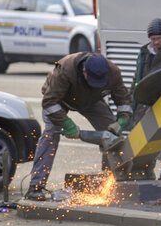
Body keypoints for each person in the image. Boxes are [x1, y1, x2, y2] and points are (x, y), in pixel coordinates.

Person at [25, 52, 133, 201]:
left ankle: (110, 181)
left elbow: (123, 101)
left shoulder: (113, 72)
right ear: (84, 71)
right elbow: (49, 103)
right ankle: (35, 187)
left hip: (90, 101)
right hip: (59, 101)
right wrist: (67, 123)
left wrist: (122, 120)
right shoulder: (64, 69)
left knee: (112, 137)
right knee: (51, 135)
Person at [131, 18, 161, 181]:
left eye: (159, 38)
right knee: (140, 144)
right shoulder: (144, 53)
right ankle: (141, 177)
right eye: (153, 39)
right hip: (143, 106)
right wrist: (132, 105)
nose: (156, 42)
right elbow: (137, 78)